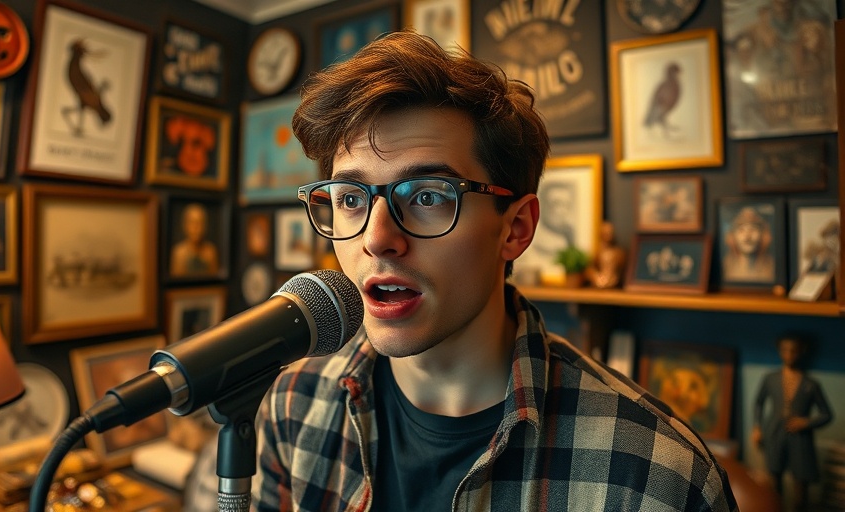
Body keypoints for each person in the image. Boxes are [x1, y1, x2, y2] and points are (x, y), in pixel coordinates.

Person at [251, 30, 737, 511]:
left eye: (427, 197)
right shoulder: (293, 404)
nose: (376, 238)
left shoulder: (655, 477)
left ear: (516, 228)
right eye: (351, 199)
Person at [752, 334, 833, 511]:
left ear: (801, 352)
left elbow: (827, 414)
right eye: (785, 350)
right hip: (774, 432)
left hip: (800, 437)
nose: (789, 355)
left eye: (793, 351)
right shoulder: (771, 378)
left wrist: (806, 422)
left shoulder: (810, 384)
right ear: (780, 351)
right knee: (774, 480)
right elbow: (759, 402)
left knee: (801, 485)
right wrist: (757, 427)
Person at [722, 206, 775, 283]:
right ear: (732, 236)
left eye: (753, 230)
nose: (747, 237)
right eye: (741, 230)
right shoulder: (724, 267)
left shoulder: (773, 267)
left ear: (763, 235)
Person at [170, 202, 219, 277]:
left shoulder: (211, 251)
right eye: (193, 223)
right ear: (185, 225)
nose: (196, 228)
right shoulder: (179, 252)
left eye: (200, 223)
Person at [584, 221, 626, 288]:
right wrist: (596, 277)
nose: (608, 235)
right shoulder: (597, 252)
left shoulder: (619, 253)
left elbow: (622, 271)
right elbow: (589, 269)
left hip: (614, 285)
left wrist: (615, 278)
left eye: (610, 233)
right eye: (606, 233)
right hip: (600, 284)